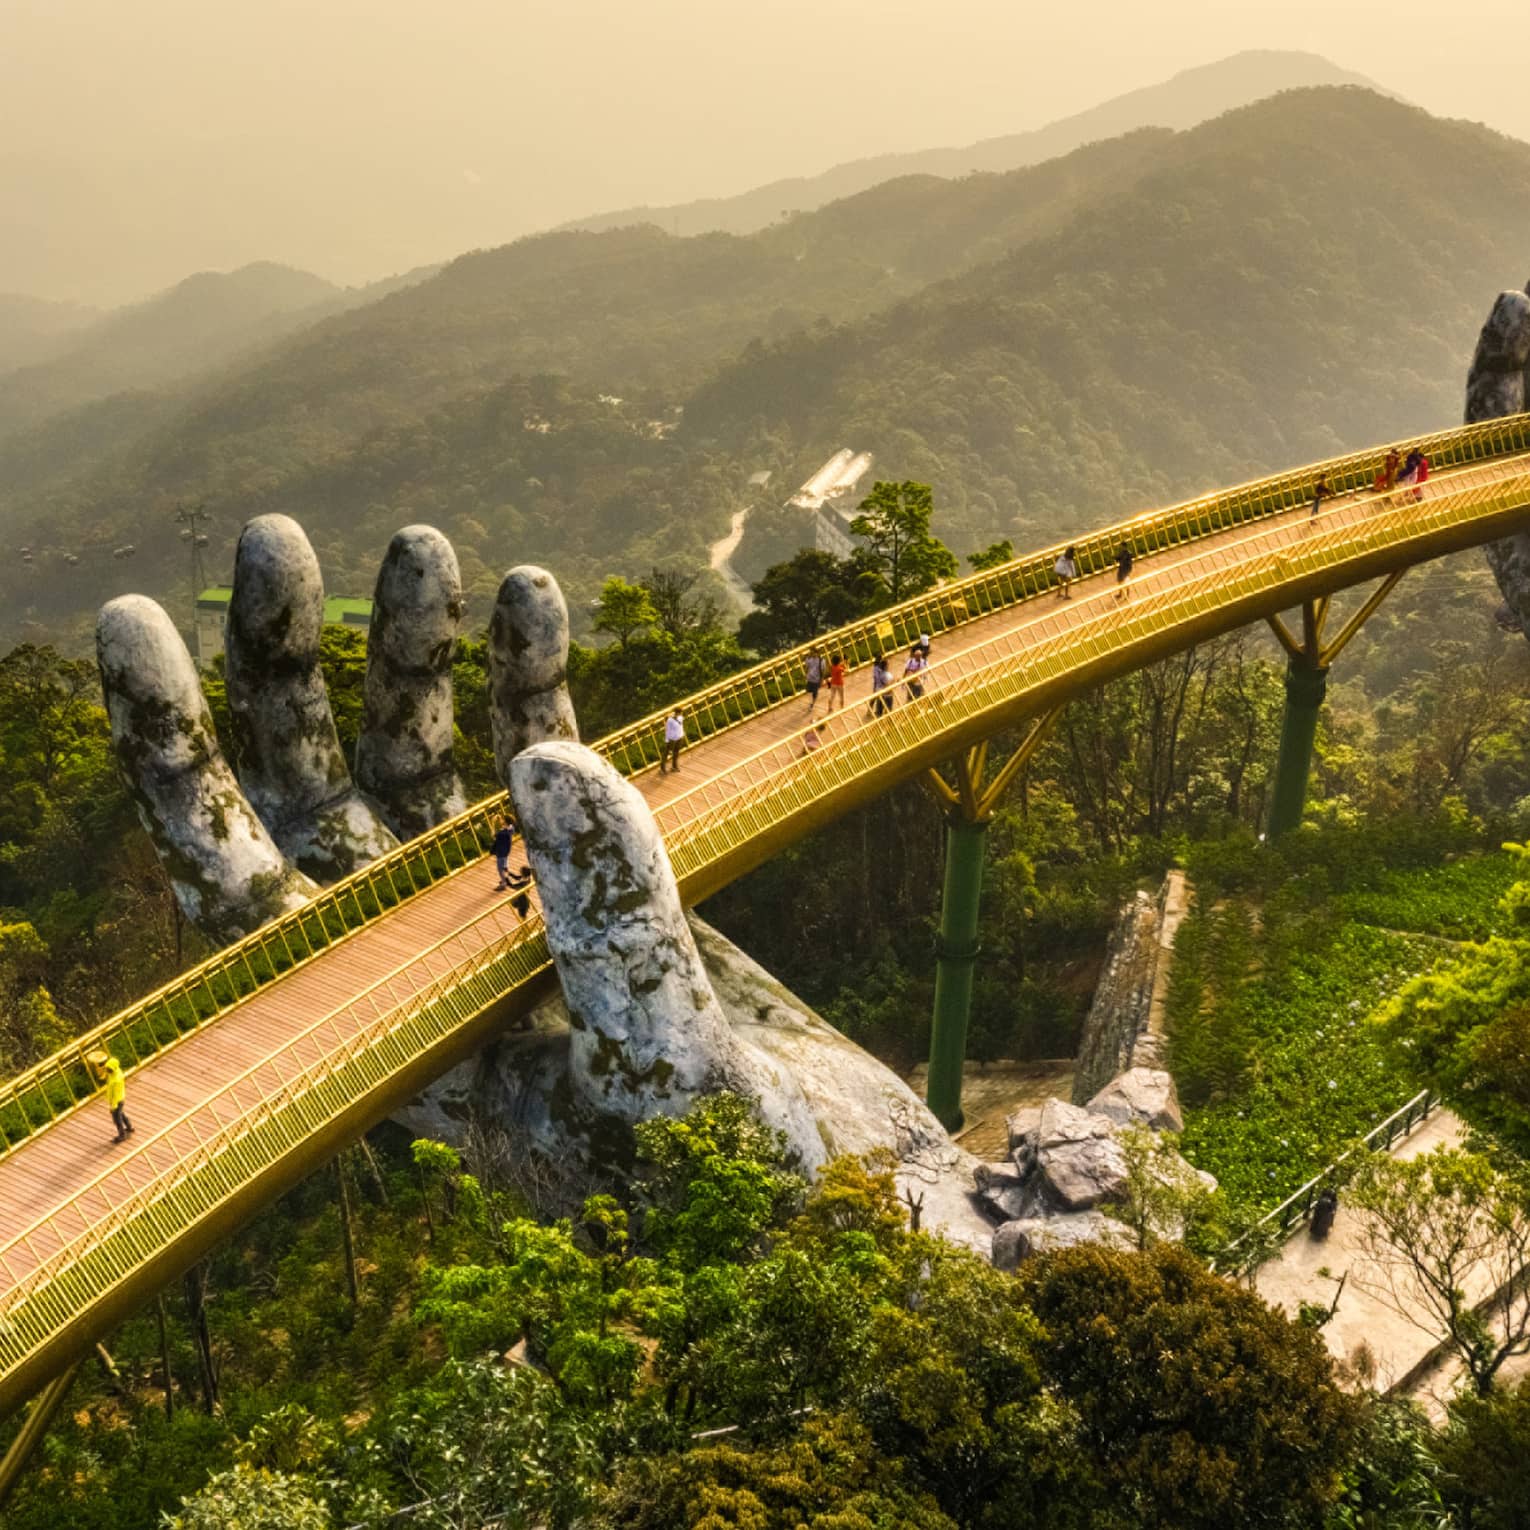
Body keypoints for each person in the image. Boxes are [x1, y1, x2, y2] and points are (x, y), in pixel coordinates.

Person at [91, 1050, 133, 1142]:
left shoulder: (116, 1080)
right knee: (121, 1114)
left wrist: (113, 1106)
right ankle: (129, 1127)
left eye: (108, 1069)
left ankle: (122, 1135)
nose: (107, 1070)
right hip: (120, 1099)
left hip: (117, 1101)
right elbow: (104, 1076)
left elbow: (115, 1095)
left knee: (117, 1120)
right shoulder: (116, 1072)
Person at [491, 816, 531, 893]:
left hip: (501, 852)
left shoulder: (502, 833)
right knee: (505, 867)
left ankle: (504, 883)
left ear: (505, 822)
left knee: (500, 869)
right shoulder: (511, 829)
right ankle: (506, 878)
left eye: (503, 820)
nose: (501, 821)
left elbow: (493, 835)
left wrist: (492, 823)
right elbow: (505, 827)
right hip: (506, 851)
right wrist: (500, 820)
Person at [661, 707, 685, 774]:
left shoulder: (680, 717)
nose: (681, 714)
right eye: (680, 712)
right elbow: (667, 730)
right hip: (672, 739)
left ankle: (674, 766)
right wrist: (667, 740)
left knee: (676, 752)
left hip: (679, 737)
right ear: (677, 712)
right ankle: (662, 768)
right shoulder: (670, 720)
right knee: (666, 753)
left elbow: (680, 725)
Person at [803, 650, 825, 715]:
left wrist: (822, 679)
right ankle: (811, 702)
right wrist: (805, 674)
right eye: (812, 653)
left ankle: (812, 704)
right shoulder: (809, 660)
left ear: (818, 653)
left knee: (814, 693)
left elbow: (823, 671)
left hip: (816, 679)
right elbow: (806, 667)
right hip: (810, 678)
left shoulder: (821, 661)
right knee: (808, 691)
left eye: (815, 653)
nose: (813, 654)